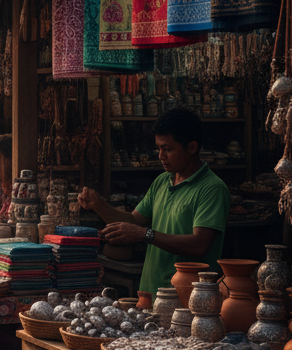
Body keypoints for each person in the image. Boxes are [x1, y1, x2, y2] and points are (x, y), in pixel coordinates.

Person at [79, 107, 230, 297]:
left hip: (188, 297)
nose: (161, 156)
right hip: (151, 292)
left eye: (167, 149)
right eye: (159, 148)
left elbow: (199, 244)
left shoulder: (212, 188)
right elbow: (133, 222)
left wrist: (145, 235)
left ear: (192, 147)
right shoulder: (162, 181)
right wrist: (99, 205)